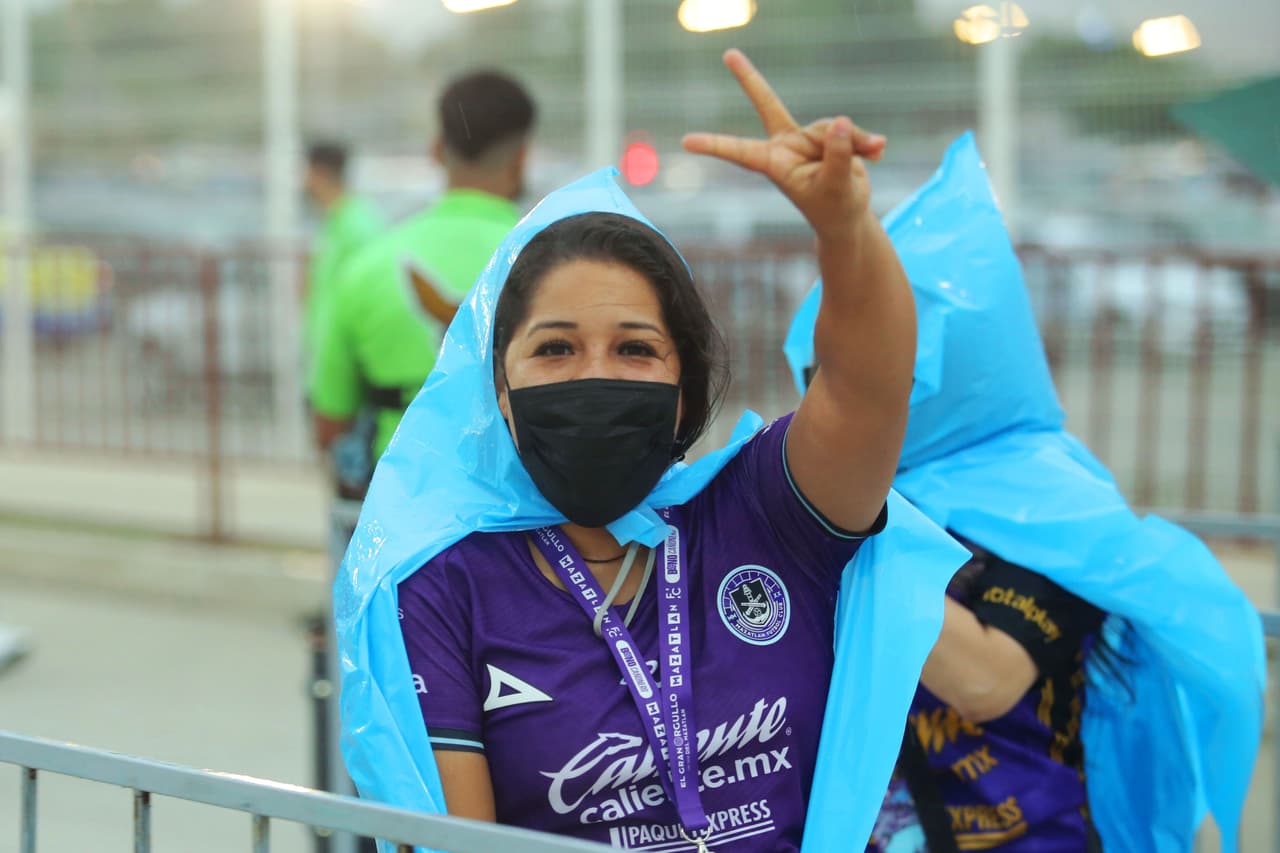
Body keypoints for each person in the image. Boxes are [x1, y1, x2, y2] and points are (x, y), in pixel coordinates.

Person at [384, 49, 919, 852]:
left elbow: (867, 388)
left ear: (684, 381)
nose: (594, 376)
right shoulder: (444, 586)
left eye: (635, 349)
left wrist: (846, 231)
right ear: (501, 388)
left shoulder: (766, 509)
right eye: (556, 349)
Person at [785, 133, 1264, 852]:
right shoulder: (870, 495)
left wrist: (846, 515)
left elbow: (986, 678)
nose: (842, 395)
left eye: (867, 365)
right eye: (834, 370)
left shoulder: (1047, 509)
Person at [307, 70, 536, 476]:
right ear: (521, 157)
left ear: (435, 151)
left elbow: (330, 422)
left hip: (404, 502)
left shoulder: (369, 264)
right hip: (527, 510)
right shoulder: (560, 257)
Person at [301, 141, 384, 369]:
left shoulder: (357, 225)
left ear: (319, 173)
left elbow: (370, 292)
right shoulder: (335, 222)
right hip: (329, 357)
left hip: (346, 360)